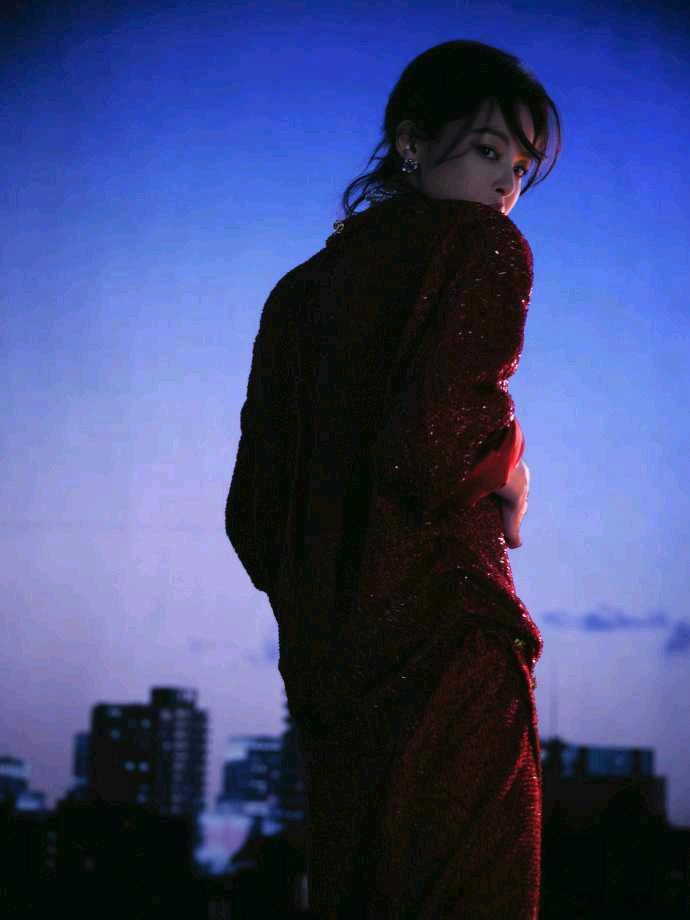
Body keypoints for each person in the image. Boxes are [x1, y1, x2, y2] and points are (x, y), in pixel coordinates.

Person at [225, 38, 561, 919]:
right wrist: (507, 465)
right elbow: (429, 452)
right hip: (451, 654)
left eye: (521, 168)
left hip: (333, 686)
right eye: (489, 150)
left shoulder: (298, 294)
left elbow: (252, 520)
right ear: (411, 140)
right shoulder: (486, 248)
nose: (506, 188)